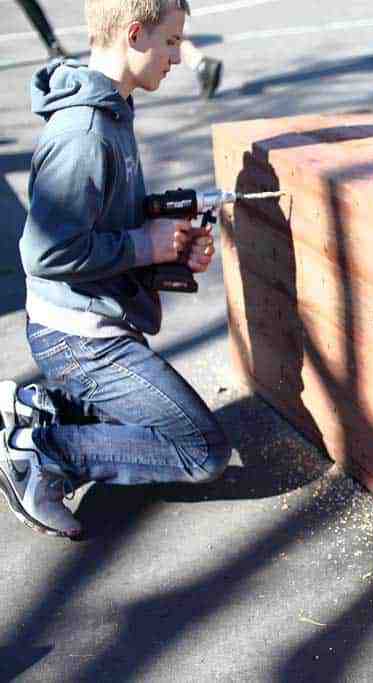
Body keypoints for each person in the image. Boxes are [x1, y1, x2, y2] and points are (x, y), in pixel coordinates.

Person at [0, 0, 229, 540]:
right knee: (201, 450)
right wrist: (143, 246)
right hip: (78, 339)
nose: (178, 57)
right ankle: (42, 455)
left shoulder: (114, 109)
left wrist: (167, 245)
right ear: (134, 34)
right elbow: (45, 253)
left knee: (150, 427)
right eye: (171, 41)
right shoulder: (84, 133)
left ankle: (45, 410)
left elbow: (104, 221)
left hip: (91, 325)